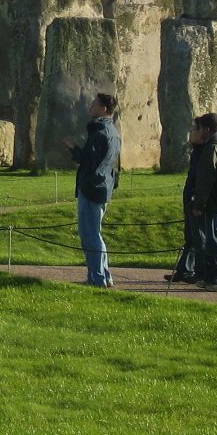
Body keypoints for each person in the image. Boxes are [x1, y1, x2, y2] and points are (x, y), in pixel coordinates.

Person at [166, 112, 217, 292]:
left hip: (215, 203)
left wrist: (198, 205)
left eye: (197, 128)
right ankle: (211, 278)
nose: (194, 131)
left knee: (215, 241)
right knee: (213, 240)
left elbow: (205, 180)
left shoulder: (212, 148)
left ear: (207, 129)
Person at [63, 93, 121, 288]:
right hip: (104, 186)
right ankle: (104, 275)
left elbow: (88, 160)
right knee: (95, 233)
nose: (91, 106)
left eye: (94, 104)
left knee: (90, 234)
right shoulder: (113, 131)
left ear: (104, 108)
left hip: (92, 187)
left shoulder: (99, 132)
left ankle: (97, 278)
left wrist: (73, 147)